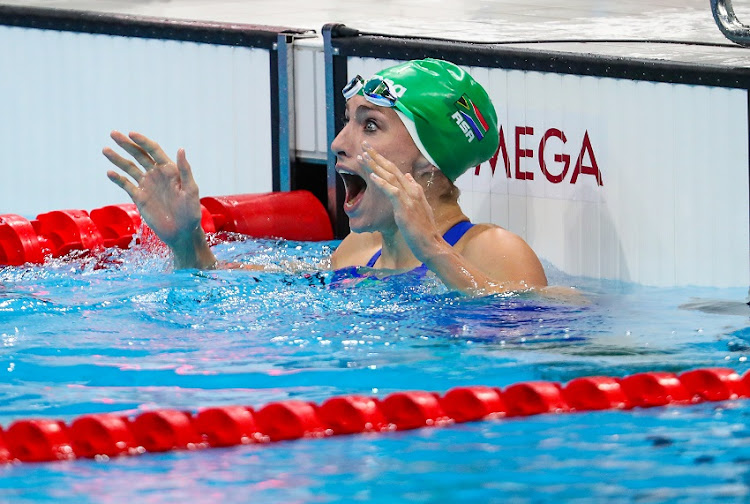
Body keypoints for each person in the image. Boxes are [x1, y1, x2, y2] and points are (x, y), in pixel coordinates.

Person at [103, 58, 547, 295]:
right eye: (349, 120)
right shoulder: (360, 251)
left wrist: (430, 248)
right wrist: (187, 241)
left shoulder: (493, 250)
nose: (338, 142)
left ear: (428, 163)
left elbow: (534, 336)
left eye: (369, 125)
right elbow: (223, 284)